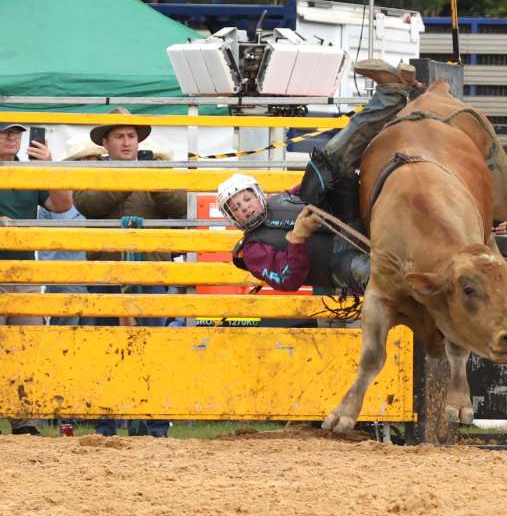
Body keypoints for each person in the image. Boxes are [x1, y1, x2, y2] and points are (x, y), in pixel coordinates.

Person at [219, 59, 422, 293]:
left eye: (245, 199)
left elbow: (309, 186)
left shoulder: (281, 199)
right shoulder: (253, 250)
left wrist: (329, 174)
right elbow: (288, 281)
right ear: (233, 218)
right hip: (339, 260)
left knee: (328, 159)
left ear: (257, 194)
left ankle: (392, 94)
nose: (244, 207)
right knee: (375, 275)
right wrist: (298, 236)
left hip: (347, 215)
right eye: (235, 208)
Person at [73, 110, 187, 438]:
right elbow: (88, 205)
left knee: (151, 347)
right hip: (105, 274)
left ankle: (153, 425)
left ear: (139, 140)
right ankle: (105, 424)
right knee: (106, 348)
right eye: (120, 136)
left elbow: (180, 205)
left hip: (151, 270)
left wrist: (149, 178)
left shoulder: (159, 168)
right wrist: (132, 178)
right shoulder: (90, 171)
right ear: (105, 142)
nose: (127, 142)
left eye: (131, 136)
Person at [0, 122, 73, 435]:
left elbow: (62, 204)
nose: (11, 137)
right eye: (5, 133)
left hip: (25, 270)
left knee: (28, 347)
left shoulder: (32, 172)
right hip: (17, 269)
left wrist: (49, 167)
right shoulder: (26, 173)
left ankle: (25, 421)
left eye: (15, 133)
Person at [42, 136, 105, 326]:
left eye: (92, 159)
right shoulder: (57, 195)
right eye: (82, 160)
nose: (87, 164)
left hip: (87, 277)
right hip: (64, 277)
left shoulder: (99, 195)